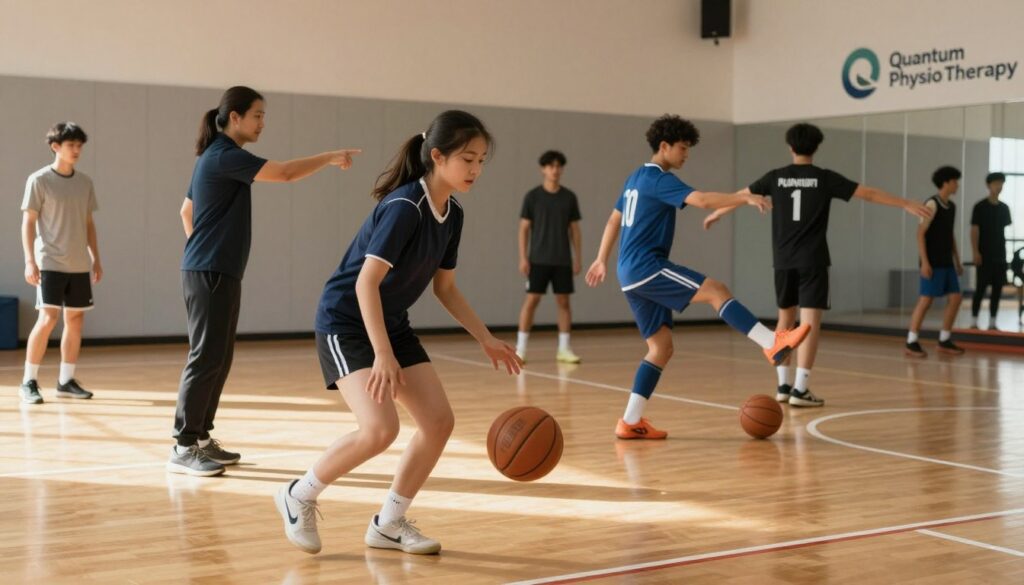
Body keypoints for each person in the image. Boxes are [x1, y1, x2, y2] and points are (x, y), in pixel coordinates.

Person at [275, 110, 521, 556]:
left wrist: (485, 337)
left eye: (482, 160)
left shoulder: (454, 213)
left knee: (439, 422)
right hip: (346, 321)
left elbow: (445, 288)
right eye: (468, 159)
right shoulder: (405, 206)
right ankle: (299, 494)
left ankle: (388, 523)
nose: (476, 170)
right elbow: (364, 282)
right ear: (438, 156)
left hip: (390, 323)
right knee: (379, 428)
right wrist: (383, 354)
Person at [169, 86, 361, 476]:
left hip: (213, 269)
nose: (262, 123)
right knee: (206, 356)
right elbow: (287, 173)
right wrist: (328, 157)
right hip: (209, 271)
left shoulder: (214, 156)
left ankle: (202, 438)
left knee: (218, 357)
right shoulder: (224, 155)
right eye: (256, 115)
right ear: (234, 117)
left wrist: (204, 248)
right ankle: (183, 445)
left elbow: (185, 210)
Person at [586, 114, 810, 440]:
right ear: (664, 146)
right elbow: (702, 200)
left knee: (660, 348)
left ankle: (630, 421)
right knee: (717, 290)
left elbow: (612, 221)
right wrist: (744, 198)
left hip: (628, 271)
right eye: (682, 148)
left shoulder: (635, 177)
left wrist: (601, 259)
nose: (686, 155)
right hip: (646, 267)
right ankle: (771, 342)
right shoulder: (659, 179)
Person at [704, 123, 931, 406]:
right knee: (809, 324)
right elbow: (869, 193)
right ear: (817, 147)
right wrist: (905, 203)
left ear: (790, 147)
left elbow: (741, 195)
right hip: (812, 260)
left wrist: (718, 212)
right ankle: (801, 389)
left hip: (783, 261)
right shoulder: (824, 178)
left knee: (785, 320)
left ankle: (783, 387)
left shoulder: (777, 177)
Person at [19, 122, 102, 405]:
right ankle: (29, 381)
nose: (76, 150)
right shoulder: (39, 180)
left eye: (80, 145)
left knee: (75, 320)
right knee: (48, 318)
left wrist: (96, 258)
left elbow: (89, 223)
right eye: (71, 145)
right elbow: (28, 223)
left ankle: (66, 381)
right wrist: (30, 260)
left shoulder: (85, 183)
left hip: (78, 264)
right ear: (56, 147)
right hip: (49, 262)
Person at [515, 150, 583, 363]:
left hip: (562, 260)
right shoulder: (533, 197)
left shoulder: (569, 197)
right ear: (543, 169)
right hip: (537, 260)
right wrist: (523, 257)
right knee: (531, 300)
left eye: (558, 166)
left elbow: (575, 230)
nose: (555, 170)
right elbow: (524, 229)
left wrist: (577, 257)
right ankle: (521, 350)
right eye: (551, 166)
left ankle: (564, 349)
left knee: (563, 302)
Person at [905, 166, 965, 357]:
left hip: (947, 262)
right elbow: (920, 233)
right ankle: (911, 341)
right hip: (932, 262)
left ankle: (944, 340)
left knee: (955, 298)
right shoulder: (932, 204)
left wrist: (957, 259)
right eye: (955, 181)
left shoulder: (952, 206)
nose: (957, 185)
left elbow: (950, 235)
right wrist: (925, 262)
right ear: (946, 182)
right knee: (926, 300)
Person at [970, 172, 1012, 330]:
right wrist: (975, 251)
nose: (999, 186)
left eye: (1001, 183)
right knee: (980, 288)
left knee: (997, 288)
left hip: (1000, 255)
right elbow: (974, 230)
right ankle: (974, 320)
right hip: (984, 254)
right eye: (996, 183)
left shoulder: (1004, 208)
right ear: (989, 185)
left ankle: (993, 321)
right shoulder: (980, 207)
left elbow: (1003, 232)